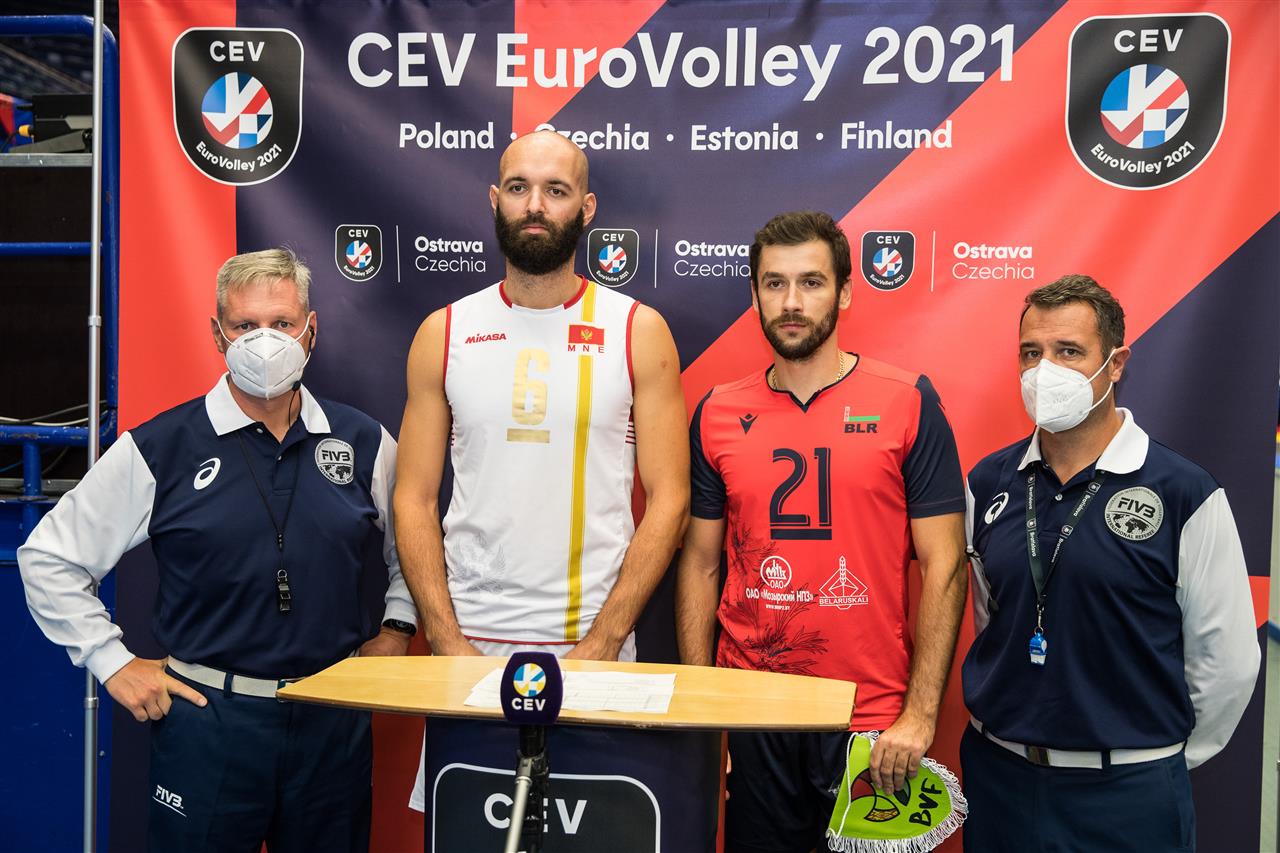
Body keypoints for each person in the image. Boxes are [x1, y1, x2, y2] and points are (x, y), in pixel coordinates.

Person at [18, 248, 416, 853]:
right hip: (208, 720)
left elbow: (415, 546)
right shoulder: (162, 446)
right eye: (245, 325)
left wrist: (397, 627)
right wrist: (112, 661)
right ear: (217, 334)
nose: (265, 341)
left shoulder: (363, 440)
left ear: (311, 330)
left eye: (282, 323)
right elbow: (48, 557)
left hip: (332, 720)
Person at [394, 130, 689, 807]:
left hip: (594, 647)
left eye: (556, 190)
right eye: (519, 187)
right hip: (469, 650)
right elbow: (413, 497)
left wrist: (605, 641)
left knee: (596, 833)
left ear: (586, 207)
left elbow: (670, 499)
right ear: (494, 199)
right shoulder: (445, 332)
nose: (535, 205)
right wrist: (445, 638)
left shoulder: (637, 328)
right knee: (470, 831)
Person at [675, 210, 968, 853]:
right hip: (755, 712)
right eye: (774, 283)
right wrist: (705, 709)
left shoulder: (908, 401)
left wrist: (920, 714)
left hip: (870, 721)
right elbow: (700, 563)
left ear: (845, 292)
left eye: (811, 282)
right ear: (754, 295)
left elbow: (945, 565)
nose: (791, 302)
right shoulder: (717, 411)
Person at [960, 275, 1260, 853]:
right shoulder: (988, 482)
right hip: (1000, 779)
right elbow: (989, 618)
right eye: (1031, 353)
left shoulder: (1184, 491)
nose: (1045, 371)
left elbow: (1227, 660)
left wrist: (1154, 758)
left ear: (1116, 364)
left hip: (1129, 794)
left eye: (1069, 351)